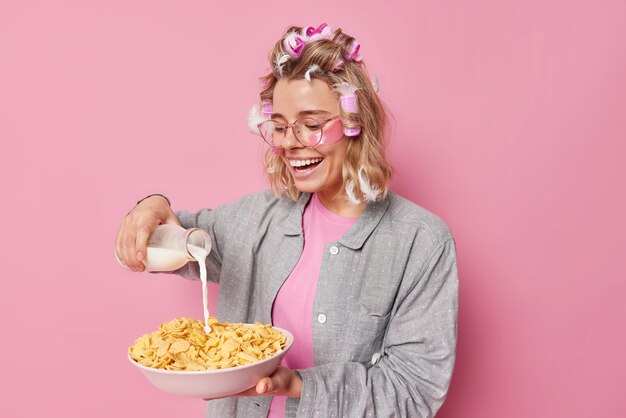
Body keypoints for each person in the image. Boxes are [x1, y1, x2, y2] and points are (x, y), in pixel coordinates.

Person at [116, 23, 458, 418]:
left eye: (312, 125)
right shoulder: (253, 220)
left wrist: (299, 386)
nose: (290, 142)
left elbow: (413, 391)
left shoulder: (420, 242)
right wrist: (149, 205)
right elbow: (172, 238)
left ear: (356, 124)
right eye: (279, 126)